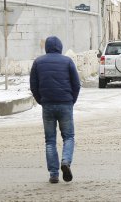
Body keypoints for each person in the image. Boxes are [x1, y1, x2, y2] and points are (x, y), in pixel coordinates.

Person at [30, 36, 80, 184]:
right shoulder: (67, 61)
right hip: (65, 103)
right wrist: (71, 100)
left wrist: (41, 100)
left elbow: (34, 85)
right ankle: (65, 161)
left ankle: (53, 174)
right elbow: (76, 84)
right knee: (69, 137)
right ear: (60, 47)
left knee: (50, 141)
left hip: (48, 105)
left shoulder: (38, 62)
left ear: (46, 48)